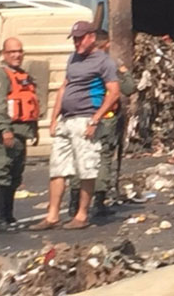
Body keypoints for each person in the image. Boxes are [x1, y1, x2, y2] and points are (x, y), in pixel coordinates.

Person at [30, 21, 120, 231]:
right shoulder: (73, 58)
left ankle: (82, 215)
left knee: (86, 169)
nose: (77, 43)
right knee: (58, 168)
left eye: (80, 38)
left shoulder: (104, 62)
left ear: (91, 37)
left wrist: (96, 119)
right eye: (75, 39)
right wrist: (54, 118)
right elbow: (64, 88)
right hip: (66, 120)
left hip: (86, 119)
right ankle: (52, 216)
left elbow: (113, 92)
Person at [68, 29, 136, 218]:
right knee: (103, 159)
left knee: (80, 159)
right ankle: (98, 202)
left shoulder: (78, 63)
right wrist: (123, 70)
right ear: (106, 44)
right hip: (105, 118)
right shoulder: (109, 64)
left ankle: (74, 203)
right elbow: (129, 88)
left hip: (83, 117)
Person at [0, 38, 39, 233]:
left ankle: (8, 216)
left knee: (14, 177)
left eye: (19, 51)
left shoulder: (23, 76)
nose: (16, 55)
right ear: (4, 54)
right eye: (12, 52)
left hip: (21, 134)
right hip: (5, 135)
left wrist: (34, 131)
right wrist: (5, 130)